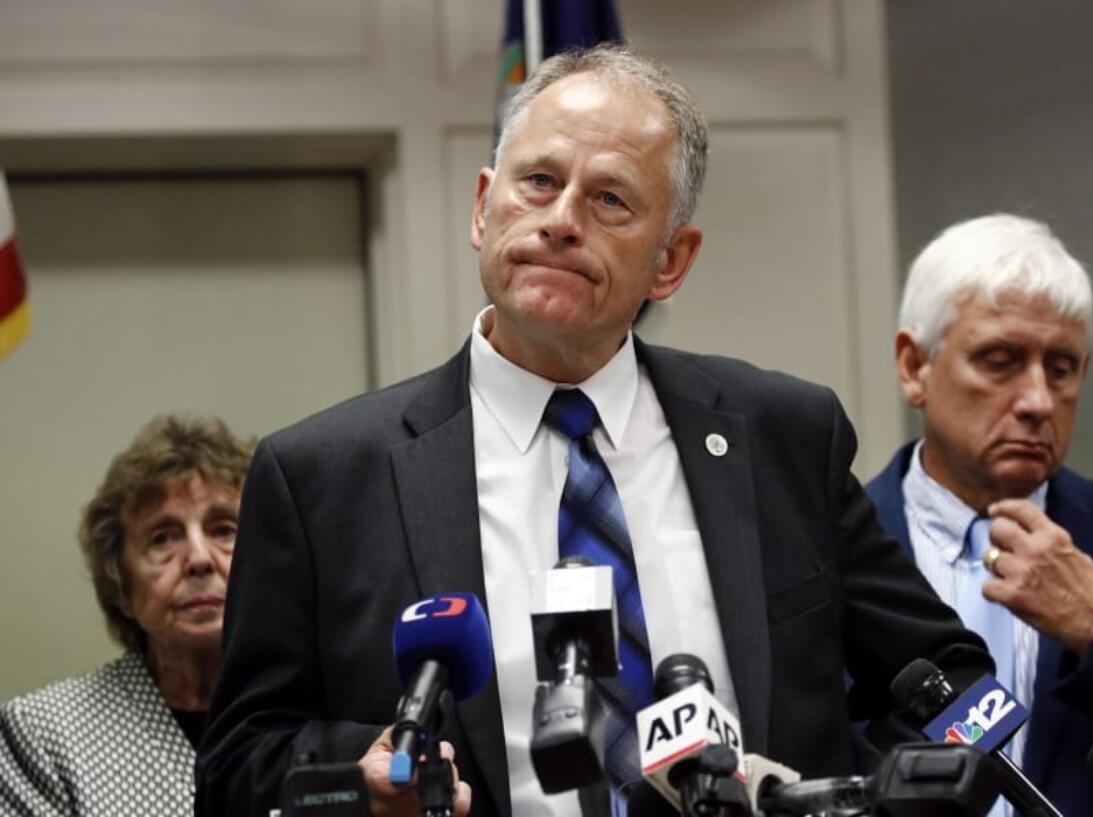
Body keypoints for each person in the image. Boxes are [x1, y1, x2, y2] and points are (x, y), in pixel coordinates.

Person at [196, 45, 992, 817]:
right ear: (483, 207)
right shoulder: (322, 476)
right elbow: (236, 765)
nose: (562, 220)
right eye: (538, 182)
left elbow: (961, 685)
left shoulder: (783, 434)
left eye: (610, 199)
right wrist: (358, 777)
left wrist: (850, 805)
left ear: (671, 261)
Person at [865, 213, 1093, 816]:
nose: (1037, 401)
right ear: (913, 366)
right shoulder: (818, 549)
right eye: (999, 360)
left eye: (1060, 369)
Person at [0, 415, 254, 816]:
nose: (199, 559)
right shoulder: (45, 732)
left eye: (224, 530)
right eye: (163, 538)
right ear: (122, 586)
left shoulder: (324, 710)